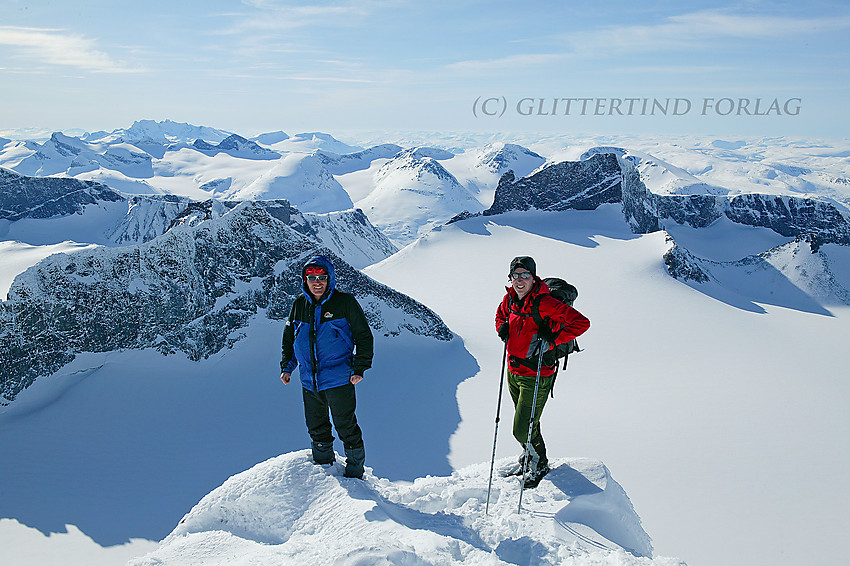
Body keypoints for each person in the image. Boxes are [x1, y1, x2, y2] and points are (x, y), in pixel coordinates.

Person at [494, 256, 590, 488]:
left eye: (525, 275)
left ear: (533, 277)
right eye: (516, 275)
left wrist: (553, 341)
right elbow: (499, 317)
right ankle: (531, 458)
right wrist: (502, 328)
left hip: (536, 374)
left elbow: (581, 323)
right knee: (528, 422)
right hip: (513, 371)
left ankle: (540, 463)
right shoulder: (510, 300)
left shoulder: (544, 302)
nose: (520, 280)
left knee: (521, 428)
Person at [280, 255, 374, 479]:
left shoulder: (345, 303)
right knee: (317, 427)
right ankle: (324, 471)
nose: (317, 282)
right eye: (311, 277)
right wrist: (287, 366)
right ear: (305, 280)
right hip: (308, 379)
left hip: (339, 378)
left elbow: (363, 336)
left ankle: (355, 473)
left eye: (322, 277)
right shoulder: (299, 304)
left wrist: (359, 368)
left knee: (346, 426)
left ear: (330, 278)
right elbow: (290, 338)